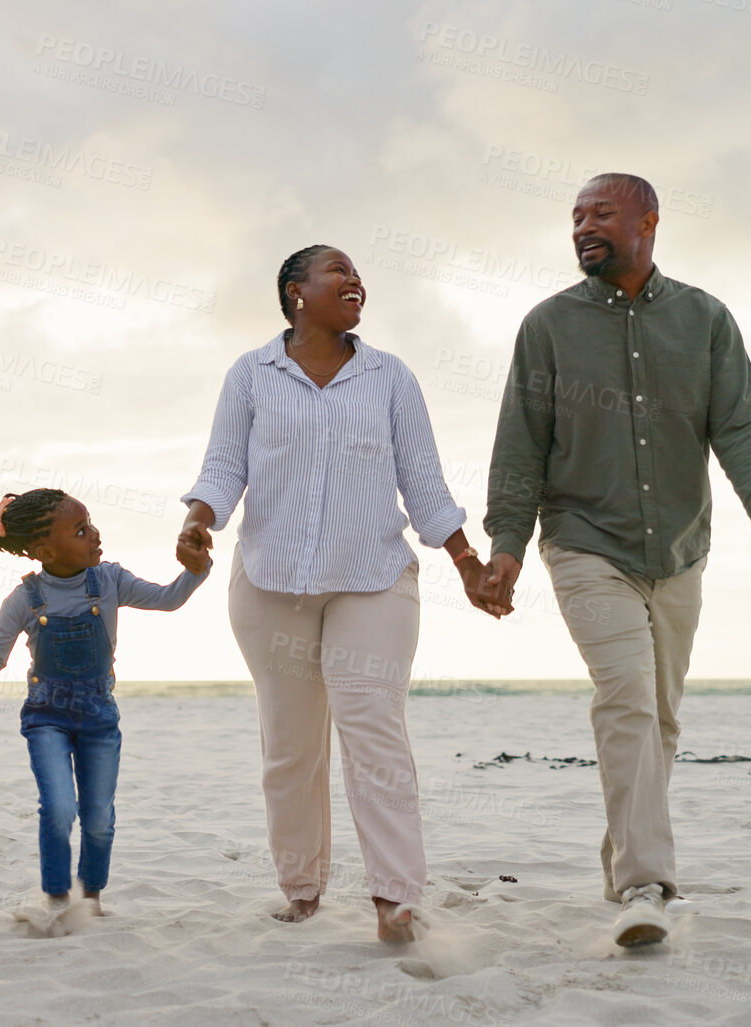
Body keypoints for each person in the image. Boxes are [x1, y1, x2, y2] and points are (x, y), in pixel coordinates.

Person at [481, 173, 751, 947]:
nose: (583, 227)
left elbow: (744, 423)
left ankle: (628, 856)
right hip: (584, 540)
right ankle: (645, 883)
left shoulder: (703, 318)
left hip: (680, 548)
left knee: (658, 716)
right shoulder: (547, 325)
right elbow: (520, 441)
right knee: (624, 697)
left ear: (647, 221)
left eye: (601, 214)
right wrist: (506, 545)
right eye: (575, 216)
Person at [179, 245, 506, 944]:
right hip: (270, 583)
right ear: (295, 291)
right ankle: (300, 889)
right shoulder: (250, 374)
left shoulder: (390, 377)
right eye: (337, 270)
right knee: (290, 746)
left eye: (359, 272)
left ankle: (394, 896)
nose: (354, 279)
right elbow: (223, 464)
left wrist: (466, 561)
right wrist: (197, 520)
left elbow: (422, 479)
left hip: (373, 579)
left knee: (372, 730)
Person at [0, 489, 211, 919]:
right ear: (44, 550)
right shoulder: (25, 599)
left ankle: (90, 899)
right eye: (80, 530)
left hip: (98, 718)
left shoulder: (109, 580)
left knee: (98, 817)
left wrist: (195, 572)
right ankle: (57, 897)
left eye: (90, 523)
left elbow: (168, 599)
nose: (94, 533)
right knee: (58, 808)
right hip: (46, 719)